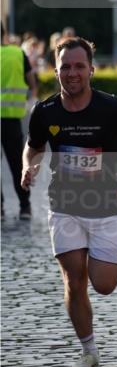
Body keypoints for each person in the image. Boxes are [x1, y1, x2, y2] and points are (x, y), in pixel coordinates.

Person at [21, 36, 117, 367]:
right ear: (55, 71)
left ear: (91, 69)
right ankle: (88, 353)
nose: (72, 73)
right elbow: (33, 146)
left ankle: (99, 257)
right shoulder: (45, 111)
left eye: (79, 66)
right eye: (65, 67)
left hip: (108, 207)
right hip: (64, 205)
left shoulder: (113, 107)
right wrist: (28, 166)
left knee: (103, 284)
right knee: (74, 280)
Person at [1, 22, 37, 220]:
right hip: (11, 119)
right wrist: (31, 103)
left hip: (9, 119)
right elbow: (32, 82)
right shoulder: (17, 53)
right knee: (17, 164)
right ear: (4, 33)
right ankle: (25, 207)